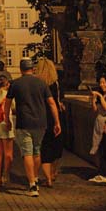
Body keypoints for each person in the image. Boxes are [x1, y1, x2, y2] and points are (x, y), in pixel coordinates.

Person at [3, 58, 61, 197]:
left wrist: (7, 119)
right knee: (36, 151)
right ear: (32, 69)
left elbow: (7, 103)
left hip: (24, 123)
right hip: (41, 123)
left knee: (27, 153)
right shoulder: (41, 83)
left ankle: (32, 185)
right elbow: (52, 103)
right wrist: (57, 122)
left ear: (21, 69)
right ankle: (34, 176)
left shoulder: (15, 84)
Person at [34, 58, 65, 187]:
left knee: (44, 149)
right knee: (56, 147)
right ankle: (53, 173)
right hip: (55, 117)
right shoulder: (56, 84)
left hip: (42, 118)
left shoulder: (37, 84)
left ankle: (48, 179)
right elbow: (57, 101)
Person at [89, 75, 106, 155]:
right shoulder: (102, 95)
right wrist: (94, 99)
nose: (101, 85)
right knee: (99, 148)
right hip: (98, 123)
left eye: (104, 82)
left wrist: (100, 96)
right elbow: (95, 109)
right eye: (100, 83)